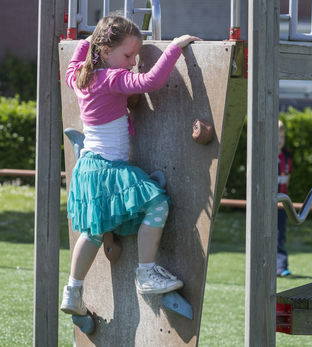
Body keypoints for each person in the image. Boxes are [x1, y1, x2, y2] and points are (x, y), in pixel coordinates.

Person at [60, 14, 201, 316]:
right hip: (109, 169)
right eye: (128, 55)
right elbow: (151, 81)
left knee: (94, 231)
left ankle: (73, 289)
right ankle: (146, 272)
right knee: (157, 204)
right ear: (106, 51)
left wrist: (89, 40)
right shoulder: (113, 79)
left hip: (88, 169)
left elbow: (77, 59)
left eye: (136, 56)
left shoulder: (79, 77)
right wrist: (174, 48)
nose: (133, 62)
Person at [277, 120, 292, 277]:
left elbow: (287, 179)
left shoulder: (287, 156)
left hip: (281, 204)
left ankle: (281, 267)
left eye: (282, 136)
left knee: (280, 235)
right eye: (277, 136)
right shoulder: (263, 156)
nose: (280, 139)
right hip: (265, 204)